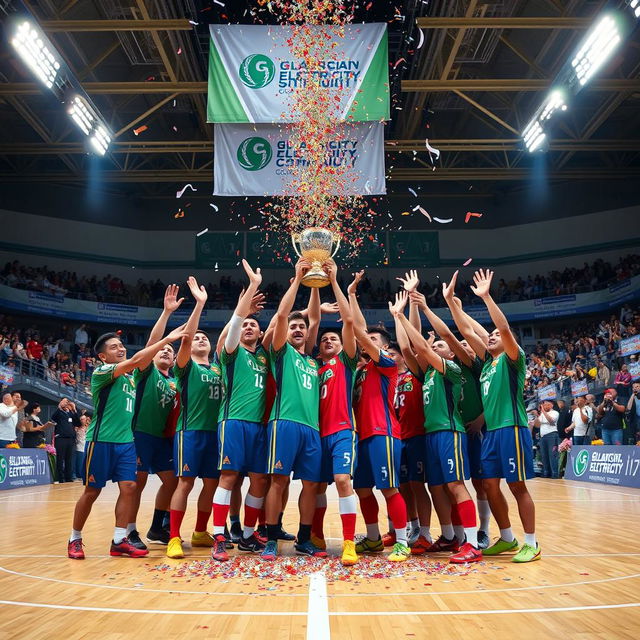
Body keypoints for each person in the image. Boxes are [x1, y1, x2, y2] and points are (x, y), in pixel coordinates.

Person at [68, 323, 186, 559]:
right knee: (92, 491)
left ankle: (120, 539)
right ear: (102, 356)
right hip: (101, 441)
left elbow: (145, 353)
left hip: (126, 443)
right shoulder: (102, 373)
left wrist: (166, 313)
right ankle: (75, 538)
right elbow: (139, 358)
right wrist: (169, 339)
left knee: (130, 488)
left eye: (122, 346)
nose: (121, 349)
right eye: (114, 347)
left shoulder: (131, 379)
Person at [445, 269, 540, 563]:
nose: (493, 337)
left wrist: (486, 297)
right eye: (491, 336)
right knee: (488, 485)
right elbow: (466, 331)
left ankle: (532, 543)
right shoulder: (487, 363)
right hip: (492, 433)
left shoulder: (513, 359)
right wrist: (451, 302)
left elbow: (504, 330)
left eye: (496, 336)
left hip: (512, 428)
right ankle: (507, 538)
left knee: (517, 486)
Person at [392, 292, 482, 564]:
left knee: (455, 484)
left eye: (441, 346)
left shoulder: (451, 370)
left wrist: (410, 312)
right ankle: (449, 536)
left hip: (449, 431)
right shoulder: (428, 373)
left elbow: (422, 348)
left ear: (450, 352)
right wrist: (399, 315)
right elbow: (409, 350)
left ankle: (472, 543)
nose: (436, 348)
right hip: (430, 435)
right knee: (437, 487)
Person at [414, 277, 493, 550]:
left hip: (473, 429)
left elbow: (463, 334)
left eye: (467, 345)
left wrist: (482, 418)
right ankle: (455, 535)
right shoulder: (444, 369)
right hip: (454, 428)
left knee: (480, 483)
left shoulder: (473, 366)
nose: (467, 346)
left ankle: (482, 531)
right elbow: (449, 336)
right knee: (448, 484)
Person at [260, 258, 325, 561]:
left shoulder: (313, 361)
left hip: (312, 428)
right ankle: (271, 536)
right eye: (294, 327)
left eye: (302, 327)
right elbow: (284, 314)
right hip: (283, 423)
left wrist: (316, 283)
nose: (298, 329)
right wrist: (298, 279)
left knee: (311, 484)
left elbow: (314, 318)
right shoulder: (280, 352)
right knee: (279, 480)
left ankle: (304, 538)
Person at [349, 271, 409, 563]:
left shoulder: (386, 363)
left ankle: (402, 541)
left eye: (374, 340)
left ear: (384, 346)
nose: (367, 342)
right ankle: (373, 539)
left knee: (388, 488)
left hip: (384, 433)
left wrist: (349, 299)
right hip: (363, 436)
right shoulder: (360, 370)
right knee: (362, 488)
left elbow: (359, 331)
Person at [211, 261, 269, 561]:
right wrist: (251, 288)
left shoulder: (262, 357)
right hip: (233, 421)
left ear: (260, 334)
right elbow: (233, 325)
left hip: (259, 426)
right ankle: (219, 534)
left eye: (253, 325)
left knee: (260, 479)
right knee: (230, 477)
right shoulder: (231, 354)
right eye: (245, 324)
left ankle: (247, 534)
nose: (248, 327)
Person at [167, 277, 223, 560]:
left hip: (216, 435)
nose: (200, 339)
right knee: (185, 483)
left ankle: (200, 531)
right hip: (189, 432)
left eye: (205, 338)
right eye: (197, 338)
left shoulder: (218, 370)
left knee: (212, 485)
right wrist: (199, 304)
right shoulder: (185, 367)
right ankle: (174, 537)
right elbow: (187, 338)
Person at [308, 260, 359, 566]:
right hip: (316, 432)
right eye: (325, 339)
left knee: (342, 480)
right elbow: (311, 322)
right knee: (314, 487)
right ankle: (315, 536)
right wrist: (313, 287)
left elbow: (349, 323)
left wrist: (335, 281)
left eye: (333, 339)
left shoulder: (347, 362)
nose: (328, 340)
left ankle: (350, 542)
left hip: (341, 430)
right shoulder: (312, 365)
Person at [129, 285, 184, 550]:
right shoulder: (145, 372)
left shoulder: (174, 382)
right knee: (136, 484)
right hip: (140, 433)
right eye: (162, 351)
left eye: (169, 352)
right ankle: (129, 531)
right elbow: (152, 345)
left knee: (172, 482)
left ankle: (157, 526)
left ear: (173, 361)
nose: (165, 352)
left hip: (164, 438)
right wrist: (166, 313)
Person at [51, 398, 80, 483]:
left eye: (67, 401)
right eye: (64, 401)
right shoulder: (59, 412)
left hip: (70, 439)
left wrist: (74, 410)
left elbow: (78, 423)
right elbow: (53, 418)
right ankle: (60, 479)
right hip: (61, 439)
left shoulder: (70, 413)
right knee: (60, 459)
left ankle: (69, 478)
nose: (66, 403)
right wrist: (59, 407)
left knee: (69, 460)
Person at [533, 400, 560, 479]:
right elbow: (537, 425)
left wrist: (543, 412)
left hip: (552, 435)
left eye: (547, 405)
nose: (545, 406)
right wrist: (537, 416)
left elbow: (551, 421)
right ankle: (546, 472)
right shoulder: (542, 414)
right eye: (544, 405)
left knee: (553, 454)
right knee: (544, 455)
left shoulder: (555, 412)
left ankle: (554, 473)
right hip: (543, 436)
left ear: (551, 405)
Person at [75, 414, 89, 481]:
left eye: (83, 419)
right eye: (81, 419)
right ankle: (78, 475)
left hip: (86, 447)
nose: (82, 421)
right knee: (79, 463)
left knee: (84, 463)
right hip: (79, 447)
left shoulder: (88, 428)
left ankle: (83, 475)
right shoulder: (77, 428)